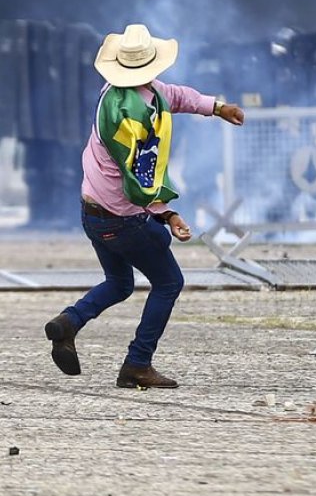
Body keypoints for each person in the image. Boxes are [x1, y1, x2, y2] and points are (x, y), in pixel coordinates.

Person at [43, 24, 245, 389]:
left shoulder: (122, 91)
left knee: (119, 283)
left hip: (92, 211)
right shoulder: (129, 119)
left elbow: (176, 96)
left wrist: (216, 107)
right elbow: (140, 179)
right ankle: (137, 363)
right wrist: (168, 214)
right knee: (169, 281)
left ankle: (69, 323)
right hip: (121, 218)